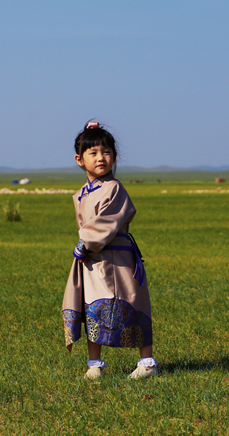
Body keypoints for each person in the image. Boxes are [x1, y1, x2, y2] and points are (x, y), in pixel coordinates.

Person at [61, 121, 157, 380]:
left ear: (114, 156)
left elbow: (106, 222)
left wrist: (85, 243)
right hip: (93, 262)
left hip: (118, 259)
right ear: (79, 159)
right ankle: (95, 364)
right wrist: (86, 247)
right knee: (92, 308)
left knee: (132, 304)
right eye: (93, 153)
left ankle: (147, 362)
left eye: (106, 152)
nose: (101, 158)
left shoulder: (114, 188)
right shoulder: (80, 194)